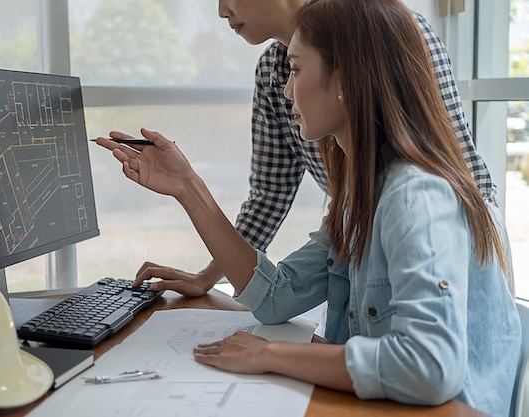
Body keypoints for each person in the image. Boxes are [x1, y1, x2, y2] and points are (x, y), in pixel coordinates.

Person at [95, 0, 520, 415]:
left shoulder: (415, 197)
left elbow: (429, 368)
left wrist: (271, 355)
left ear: (345, 80)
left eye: (296, 69)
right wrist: (188, 187)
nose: (284, 88)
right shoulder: (358, 197)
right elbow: (276, 297)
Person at [124, 0, 515, 299]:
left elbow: (451, 163)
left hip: (452, 241)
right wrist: (209, 276)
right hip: (358, 231)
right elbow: (269, 195)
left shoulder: (386, 30)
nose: (221, 10)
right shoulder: (269, 72)